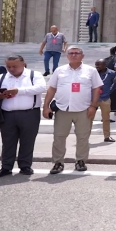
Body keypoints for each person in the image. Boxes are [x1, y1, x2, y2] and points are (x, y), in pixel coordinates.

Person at [42, 46, 103, 174]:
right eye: (71, 53)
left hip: (83, 109)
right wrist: (46, 106)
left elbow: (96, 89)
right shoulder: (59, 71)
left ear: (82, 55)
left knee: (83, 137)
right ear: (67, 55)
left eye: (77, 53)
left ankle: (80, 160)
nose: (74, 55)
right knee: (59, 137)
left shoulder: (91, 71)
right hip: (63, 108)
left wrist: (93, 106)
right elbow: (52, 88)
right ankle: (58, 162)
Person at [0, 55, 47, 178]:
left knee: (27, 141)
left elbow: (40, 88)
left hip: (29, 113)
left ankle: (25, 166)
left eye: (15, 66)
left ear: (23, 64)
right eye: (8, 66)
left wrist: (18, 91)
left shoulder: (34, 75)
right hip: (7, 114)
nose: (11, 69)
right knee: (8, 142)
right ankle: (6, 167)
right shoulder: (1, 77)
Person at [95, 59, 116, 142]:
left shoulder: (111, 73)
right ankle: (85, 136)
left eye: (99, 65)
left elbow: (115, 83)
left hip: (105, 98)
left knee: (106, 118)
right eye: (96, 65)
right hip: (94, 98)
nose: (97, 67)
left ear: (105, 65)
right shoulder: (93, 73)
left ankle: (107, 136)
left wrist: (110, 91)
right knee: (89, 118)